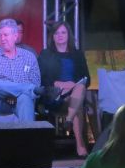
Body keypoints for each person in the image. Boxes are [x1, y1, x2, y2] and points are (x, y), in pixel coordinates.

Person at [38, 21, 91, 157]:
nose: (60, 35)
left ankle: (69, 120)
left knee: (79, 89)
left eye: (63, 32)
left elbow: (87, 79)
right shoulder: (46, 54)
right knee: (77, 104)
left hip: (74, 94)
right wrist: (61, 84)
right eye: (56, 33)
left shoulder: (77, 55)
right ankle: (80, 145)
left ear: (69, 35)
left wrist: (73, 86)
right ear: (52, 36)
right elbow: (41, 79)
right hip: (55, 96)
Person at [0, 18, 46, 121]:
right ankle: (27, 89)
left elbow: (35, 82)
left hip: (21, 100)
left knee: (25, 98)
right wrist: (11, 93)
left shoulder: (29, 56)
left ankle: (29, 131)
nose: (2, 38)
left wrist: (16, 94)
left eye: (5, 35)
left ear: (15, 36)